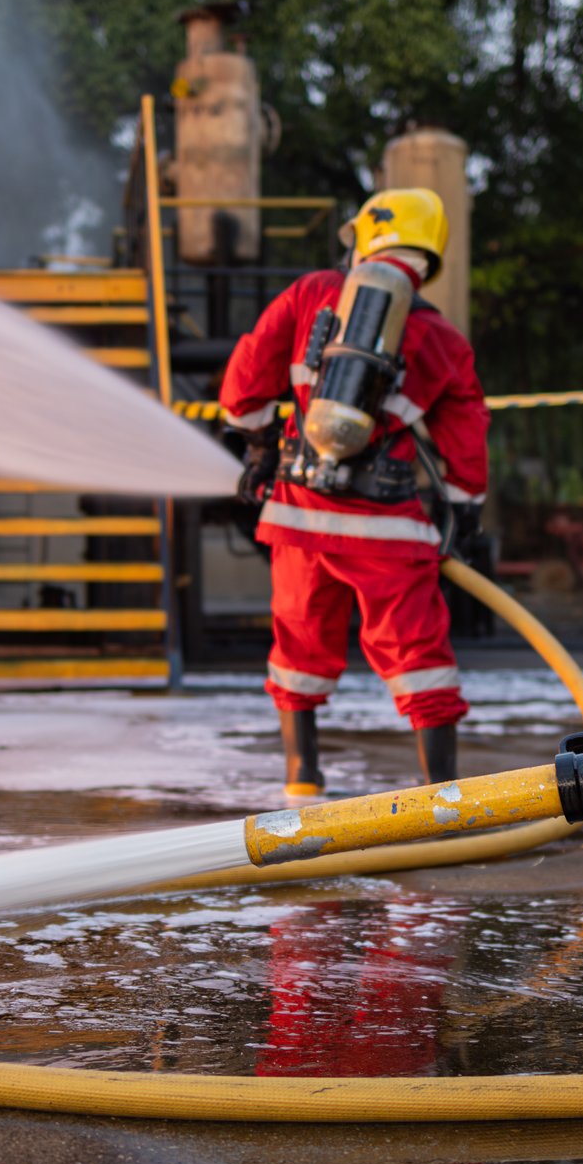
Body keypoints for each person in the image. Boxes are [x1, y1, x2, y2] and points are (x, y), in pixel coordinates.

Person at [218, 188, 490, 800]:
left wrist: (260, 445)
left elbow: (247, 376)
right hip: (387, 527)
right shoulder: (440, 336)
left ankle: (302, 778)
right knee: (418, 652)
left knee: (298, 642)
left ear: (365, 238)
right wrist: (465, 504)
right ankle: (440, 793)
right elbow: (465, 431)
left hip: (299, 513)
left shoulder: (310, 293)